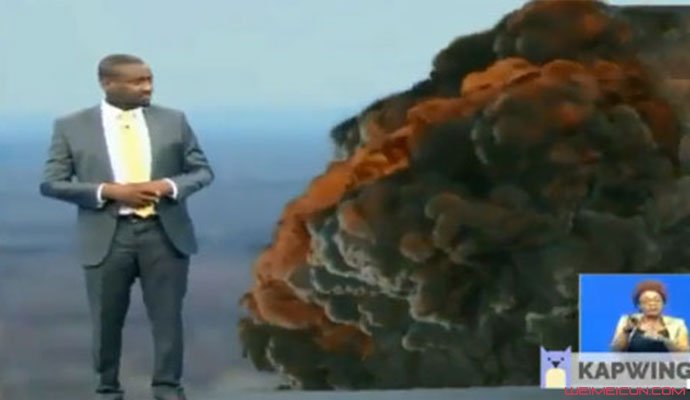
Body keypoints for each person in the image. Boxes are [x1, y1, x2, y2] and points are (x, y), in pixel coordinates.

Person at [40, 54, 214, 400]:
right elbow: (52, 182)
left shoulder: (174, 121)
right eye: (137, 82)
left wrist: (168, 186)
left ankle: (167, 389)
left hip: (164, 234)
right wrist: (109, 191)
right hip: (107, 236)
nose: (147, 87)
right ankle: (107, 390)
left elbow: (201, 171)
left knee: (168, 318)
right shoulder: (71, 126)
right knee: (106, 320)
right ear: (107, 83)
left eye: (149, 80)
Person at [610, 280, 689, 352]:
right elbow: (615, 350)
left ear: (663, 303)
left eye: (657, 300)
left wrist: (664, 340)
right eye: (646, 301)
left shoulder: (678, 324)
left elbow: (685, 353)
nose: (652, 304)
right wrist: (626, 332)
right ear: (639, 305)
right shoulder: (627, 320)